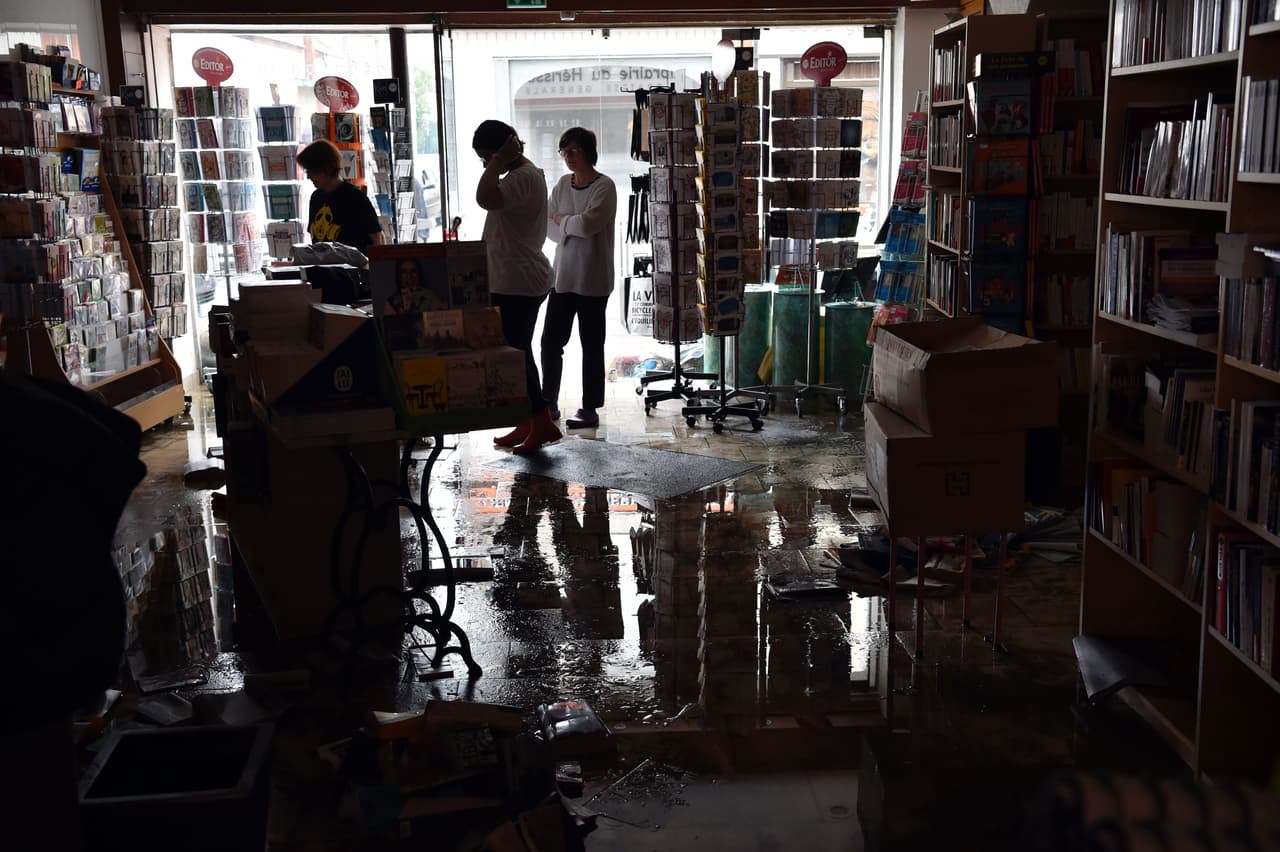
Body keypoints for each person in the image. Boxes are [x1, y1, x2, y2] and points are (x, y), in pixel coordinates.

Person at [473, 119, 560, 454]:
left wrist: (497, 161)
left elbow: (484, 197)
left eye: (486, 157)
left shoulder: (524, 177)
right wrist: (497, 160)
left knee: (518, 354)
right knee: (516, 353)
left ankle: (540, 422)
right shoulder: (519, 176)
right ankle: (529, 420)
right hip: (513, 278)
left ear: (504, 150)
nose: (485, 164)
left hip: (520, 281)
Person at [541, 127, 617, 430]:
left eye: (573, 150)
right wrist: (568, 224)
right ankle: (549, 401)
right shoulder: (561, 185)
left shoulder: (605, 186)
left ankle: (589, 407)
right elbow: (549, 227)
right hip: (562, 277)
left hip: (593, 280)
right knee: (550, 342)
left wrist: (565, 222)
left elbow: (589, 226)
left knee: (592, 345)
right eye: (564, 152)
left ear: (588, 151)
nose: (568, 157)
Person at [296, 139, 384, 256]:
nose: (309, 177)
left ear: (326, 168)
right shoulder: (316, 197)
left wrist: (377, 269)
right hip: (327, 270)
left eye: (312, 171)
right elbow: (315, 237)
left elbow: (377, 237)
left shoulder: (355, 197)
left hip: (354, 271)